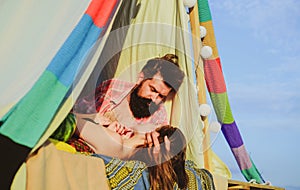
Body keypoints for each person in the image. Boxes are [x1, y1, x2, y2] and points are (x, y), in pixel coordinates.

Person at [65, 54, 185, 153]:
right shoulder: (112, 89)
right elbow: (73, 113)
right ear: (141, 78)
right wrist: (95, 119)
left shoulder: (159, 119)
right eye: (152, 90)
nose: (154, 99)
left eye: (161, 96)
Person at [75, 112, 189, 190]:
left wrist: (96, 120)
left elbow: (67, 119)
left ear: (151, 135)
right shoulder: (126, 157)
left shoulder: (115, 142)